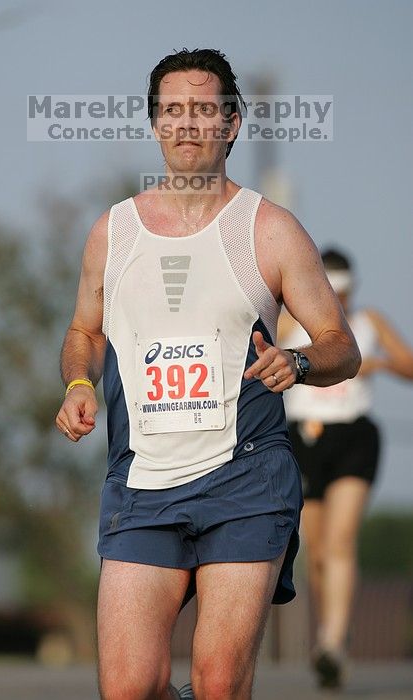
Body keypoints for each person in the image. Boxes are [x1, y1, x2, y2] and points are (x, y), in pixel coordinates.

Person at [55, 48, 361, 700]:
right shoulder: (116, 232)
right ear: (155, 123)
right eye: (172, 111)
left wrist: (299, 361)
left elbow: (342, 345)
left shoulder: (270, 230)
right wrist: (80, 383)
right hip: (142, 484)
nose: (187, 124)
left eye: (203, 109)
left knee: (220, 681)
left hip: (245, 479)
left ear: (232, 123)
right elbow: (85, 331)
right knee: (130, 688)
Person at [279, 248, 413, 689]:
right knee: (316, 551)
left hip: (355, 436)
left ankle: (333, 643)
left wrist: (378, 362)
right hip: (305, 438)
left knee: (340, 541)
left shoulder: (368, 323)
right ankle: (334, 630)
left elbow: (408, 364)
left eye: (345, 293)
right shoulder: (289, 323)